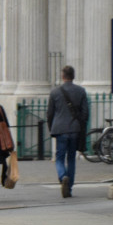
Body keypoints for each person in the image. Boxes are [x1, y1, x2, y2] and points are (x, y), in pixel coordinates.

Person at [46, 65, 88, 198]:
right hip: (75, 129)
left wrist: (51, 128)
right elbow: (85, 113)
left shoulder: (55, 92)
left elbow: (50, 113)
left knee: (59, 158)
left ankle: (62, 176)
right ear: (73, 76)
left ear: (63, 76)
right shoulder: (81, 91)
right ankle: (69, 187)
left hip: (60, 129)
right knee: (71, 159)